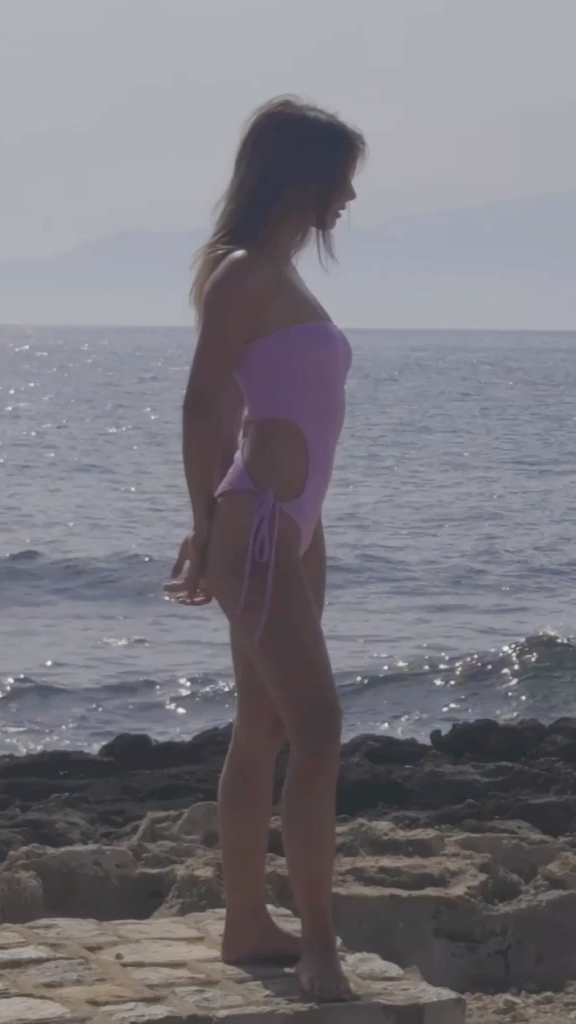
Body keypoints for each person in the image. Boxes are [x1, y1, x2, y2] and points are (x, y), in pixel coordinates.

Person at [164, 95, 366, 1002]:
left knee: (266, 725)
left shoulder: (278, 276)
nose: (349, 196)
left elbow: (248, 407)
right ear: (301, 177)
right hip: (258, 525)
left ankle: (247, 921)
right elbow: (205, 403)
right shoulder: (244, 273)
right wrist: (206, 525)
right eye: (342, 178)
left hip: (295, 526)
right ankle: (320, 944)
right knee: (317, 728)